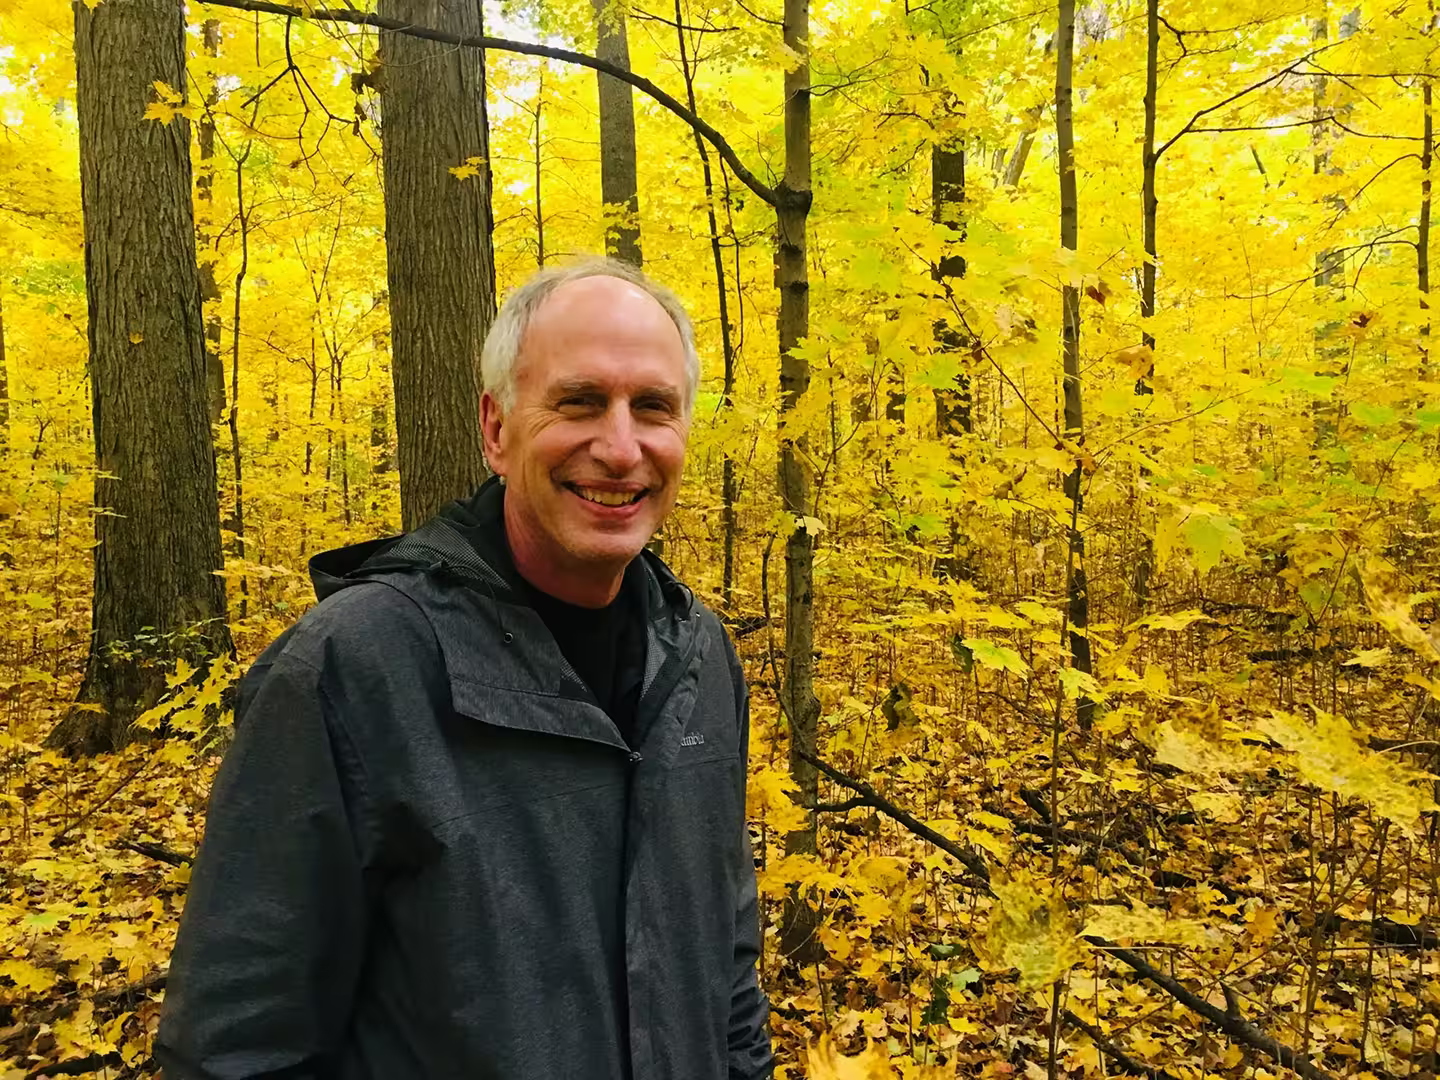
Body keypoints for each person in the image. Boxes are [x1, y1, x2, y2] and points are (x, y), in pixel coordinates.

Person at [155, 258, 774, 1080]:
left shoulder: (698, 656)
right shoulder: (356, 665)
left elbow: (726, 960)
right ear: (496, 428)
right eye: (580, 401)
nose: (621, 448)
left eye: (653, 407)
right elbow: (237, 1046)